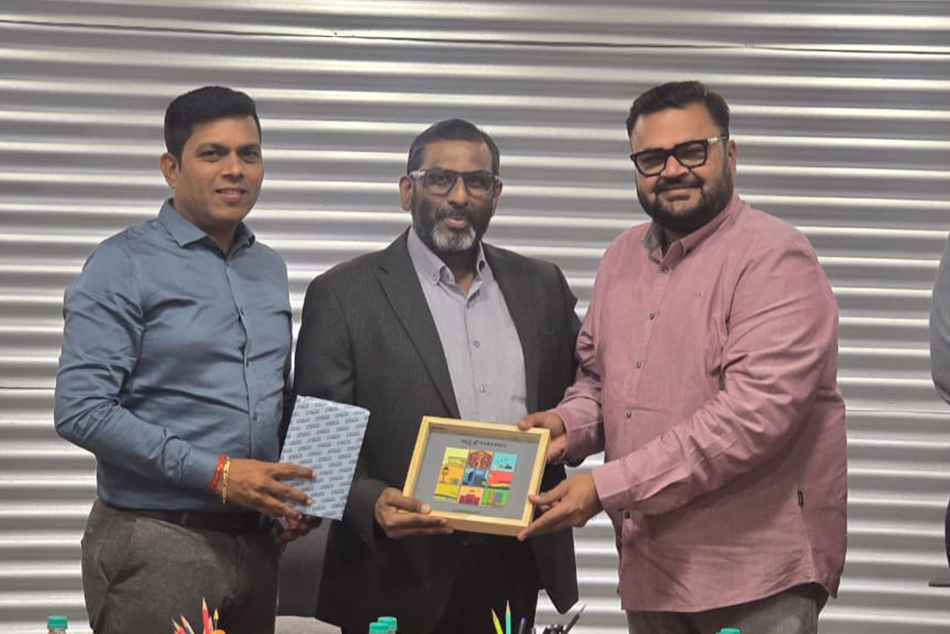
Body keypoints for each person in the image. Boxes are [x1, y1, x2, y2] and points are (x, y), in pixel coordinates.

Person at [517, 81, 847, 634]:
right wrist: (566, 426)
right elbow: (599, 380)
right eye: (652, 158)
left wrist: (605, 487)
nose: (672, 170)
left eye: (691, 151)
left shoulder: (776, 258)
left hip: (753, 576)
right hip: (652, 567)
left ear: (729, 155)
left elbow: (751, 418)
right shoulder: (620, 258)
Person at [294, 119, 579, 634]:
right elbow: (318, 450)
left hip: (512, 565)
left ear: (496, 195)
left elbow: (583, 395)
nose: (459, 196)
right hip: (392, 571)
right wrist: (370, 503)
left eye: (477, 182)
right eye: (440, 179)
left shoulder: (542, 286)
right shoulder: (343, 293)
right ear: (408, 191)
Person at [54, 86, 317, 634]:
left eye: (249, 153)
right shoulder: (122, 263)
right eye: (212, 153)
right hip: (158, 541)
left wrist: (295, 494)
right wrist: (219, 475)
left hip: (257, 546)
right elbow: (82, 410)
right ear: (171, 169)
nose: (235, 169)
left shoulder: (268, 267)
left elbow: (276, 397)